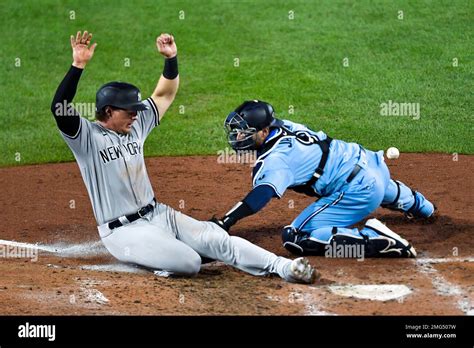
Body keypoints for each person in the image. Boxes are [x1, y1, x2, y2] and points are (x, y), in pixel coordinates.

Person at [50, 31, 317, 284]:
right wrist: (77, 65)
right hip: (123, 232)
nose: (135, 115)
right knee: (189, 263)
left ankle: (283, 268)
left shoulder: (135, 127)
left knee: (217, 238)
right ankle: (171, 256)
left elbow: (164, 93)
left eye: (136, 110)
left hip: (159, 214)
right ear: (108, 111)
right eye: (129, 111)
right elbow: (59, 106)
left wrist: (170, 59)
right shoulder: (85, 137)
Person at [211, 100, 437, 258]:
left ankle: (375, 240)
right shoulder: (283, 126)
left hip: (361, 189)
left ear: (262, 131)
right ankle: (421, 205)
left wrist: (226, 221)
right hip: (373, 164)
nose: (238, 137)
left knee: (295, 237)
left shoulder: (277, 160)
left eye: (244, 132)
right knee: (361, 179)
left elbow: (260, 196)